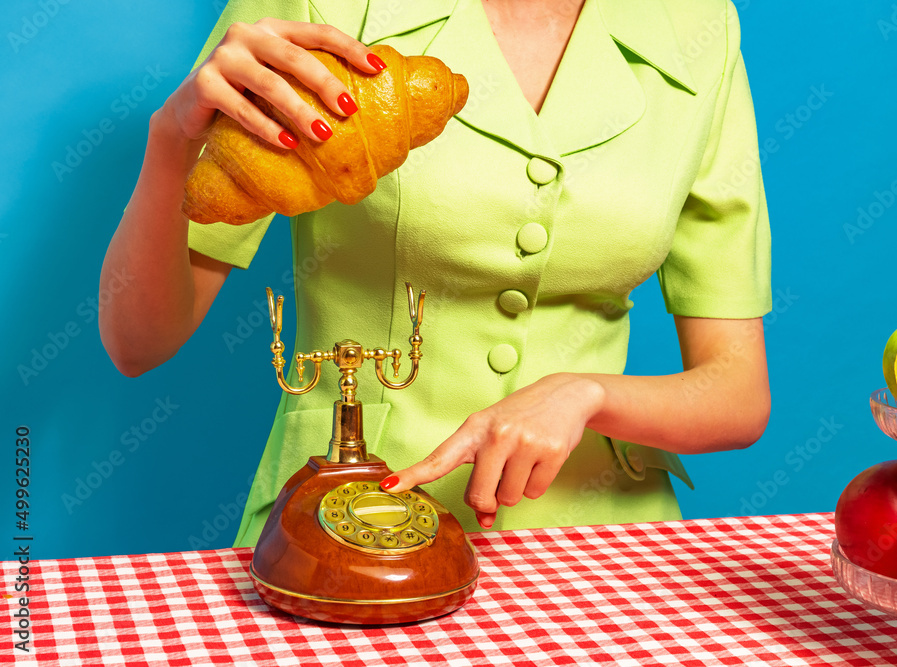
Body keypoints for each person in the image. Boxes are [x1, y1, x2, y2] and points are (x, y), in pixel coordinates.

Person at [99, 0, 771, 547]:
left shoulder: (699, 27)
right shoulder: (318, 7)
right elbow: (139, 341)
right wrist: (172, 142)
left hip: (604, 545)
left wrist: (585, 391)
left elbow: (737, 394)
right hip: (345, 526)